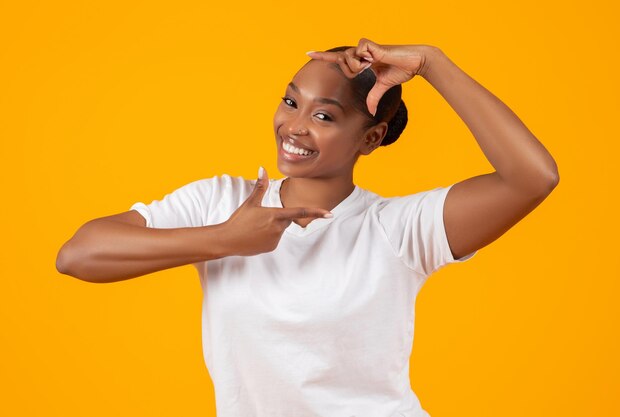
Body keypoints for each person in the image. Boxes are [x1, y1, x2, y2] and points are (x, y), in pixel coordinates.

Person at [56, 38, 559, 417]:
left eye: (324, 115)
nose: (295, 126)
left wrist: (432, 64)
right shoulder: (222, 201)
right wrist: (224, 239)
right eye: (291, 101)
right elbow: (78, 255)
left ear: (372, 137)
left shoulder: (397, 229)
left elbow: (533, 178)